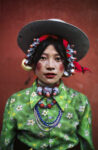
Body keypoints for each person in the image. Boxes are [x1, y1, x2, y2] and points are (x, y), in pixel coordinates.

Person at [0, 19, 95, 150]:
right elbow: (6, 145)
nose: (50, 66)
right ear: (32, 62)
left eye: (58, 59)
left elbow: (87, 146)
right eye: (43, 58)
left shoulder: (80, 102)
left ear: (67, 64)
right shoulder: (15, 102)